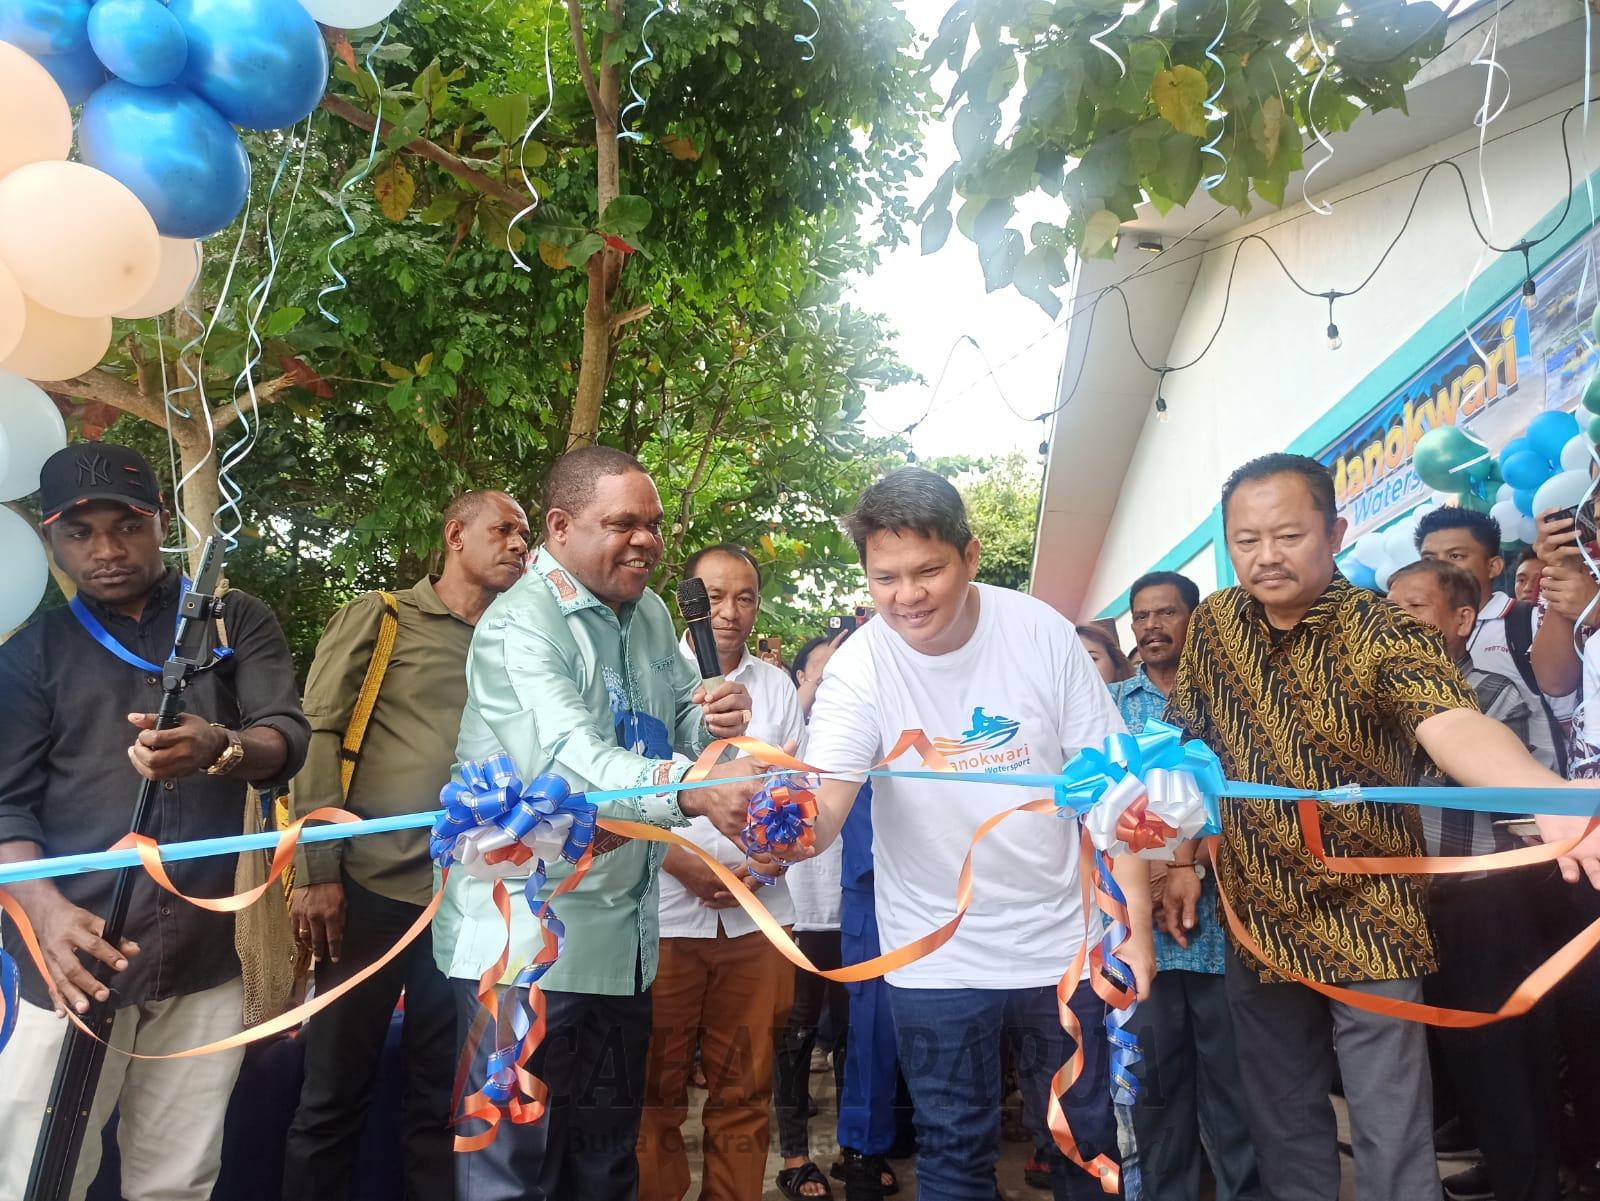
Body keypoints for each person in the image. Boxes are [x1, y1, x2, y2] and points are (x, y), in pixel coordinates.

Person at [1161, 453, 1597, 1201]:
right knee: (1282, 1116)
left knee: (1389, 1120)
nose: (1266, 556)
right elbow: (1187, 745)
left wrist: (1551, 794)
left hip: (1369, 913)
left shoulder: (1381, 628)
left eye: (1289, 534)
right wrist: (1175, 857)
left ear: (1335, 530)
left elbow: (1449, 720)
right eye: (1245, 539)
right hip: (1257, 909)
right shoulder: (1217, 625)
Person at [757, 467, 1154, 1201]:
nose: (906, 596)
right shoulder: (860, 668)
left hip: (1062, 939)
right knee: (954, 1146)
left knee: (1083, 1136)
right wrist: (782, 830)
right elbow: (828, 801)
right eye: (885, 577)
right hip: (935, 951)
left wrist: (1135, 927)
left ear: (970, 556)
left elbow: (1113, 786)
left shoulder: (1038, 633)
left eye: (928, 570)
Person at [431, 447, 765, 1201]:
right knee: (511, 1174)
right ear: (559, 525)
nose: (645, 539)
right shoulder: (521, 623)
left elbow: (679, 711)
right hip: (523, 954)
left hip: (625, 951)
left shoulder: (647, 612)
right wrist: (693, 786)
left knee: (606, 1165)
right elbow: (570, 762)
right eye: (622, 522)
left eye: (652, 524)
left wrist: (713, 716)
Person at [0, 443, 310, 1201]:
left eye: (126, 526)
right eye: (79, 533)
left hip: (206, 952)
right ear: (50, 540)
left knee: (177, 1179)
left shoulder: (232, 619)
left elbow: (285, 740)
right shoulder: (30, 654)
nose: (105, 550)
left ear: (161, 523)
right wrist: (43, 911)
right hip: (70, 962)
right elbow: (5, 802)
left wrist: (221, 745)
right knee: (36, 1175)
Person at [281, 491, 532, 1201]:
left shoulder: (518, 639)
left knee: (439, 1101)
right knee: (330, 1096)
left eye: (523, 534)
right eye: (502, 529)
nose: (519, 543)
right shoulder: (385, 615)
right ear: (455, 534)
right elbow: (316, 734)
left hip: (467, 906)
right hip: (364, 895)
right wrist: (318, 868)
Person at [1385, 558, 1561, 1201]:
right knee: (1456, 1053)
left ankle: (1533, 1182)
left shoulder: (1491, 697)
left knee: (1504, 1048)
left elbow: (1519, 813)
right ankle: (1500, 1160)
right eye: (1388, 609)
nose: (1392, 622)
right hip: (1405, 903)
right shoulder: (1375, 700)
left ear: (1462, 620)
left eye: (1411, 609)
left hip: (1483, 900)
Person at [638, 543, 806, 1201]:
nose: (729, 612)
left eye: (744, 598)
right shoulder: (651, 677)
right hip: (665, 912)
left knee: (745, 1091)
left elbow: (795, 790)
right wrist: (678, 860)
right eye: (712, 597)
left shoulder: (777, 686)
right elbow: (624, 787)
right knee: (656, 1092)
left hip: (759, 918)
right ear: (688, 602)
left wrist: (760, 865)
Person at [1106, 572, 1260, 1201]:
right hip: (1143, 930)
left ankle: (1241, 1191)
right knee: (1158, 1078)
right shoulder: (1114, 706)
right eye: (1140, 616)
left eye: (1166, 612)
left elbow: (1240, 800)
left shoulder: (1231, 697)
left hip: (1223, 922)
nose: (1151, 627)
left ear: (1196, 619)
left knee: (1233, 1079)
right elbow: (1104, 809)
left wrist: (1189, 865)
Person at [775, 631, 852, 1201]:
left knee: (855, 1038)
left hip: (859, 918)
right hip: (795, 918)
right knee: (795, 1038)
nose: (832, 691)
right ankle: (795, 1153)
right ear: (799, 681)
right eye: (822, 679)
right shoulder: (778, 747)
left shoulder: (868, 743)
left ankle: (855, 1148)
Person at [1416, 506, 1570, 771]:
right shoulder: (1417, 638)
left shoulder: (1529, 623)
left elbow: (1567, 719)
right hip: (1459, 803)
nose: (1439, 568)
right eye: (1429, 559)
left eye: (1456, 555)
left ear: (1493, 566)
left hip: (1533, 802)